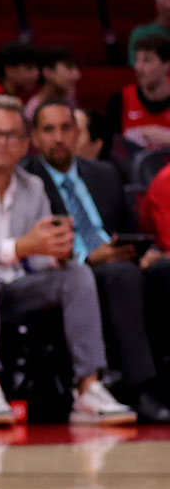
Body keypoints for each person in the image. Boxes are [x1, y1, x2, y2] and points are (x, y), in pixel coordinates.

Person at [0, 95, 136, 426]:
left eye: (13, 136)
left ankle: (89, 388)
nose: (4, 143)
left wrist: (55, 254)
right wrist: (21, 246)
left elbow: (37, 254)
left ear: (25, 145)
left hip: (15, 285)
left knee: (76, 275)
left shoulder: (33, 187)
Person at [25, 100, 170, 422]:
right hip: (71, 272)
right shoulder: (28, 181)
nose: (59, 138)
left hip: (120, 263)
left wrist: (146, 253)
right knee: (122, 276)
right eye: (49, 130)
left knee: (162, 271)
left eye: (66, 128)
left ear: (78, 133)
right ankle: (141, 386)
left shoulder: (104, 173)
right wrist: (87, 258)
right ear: (35, 137)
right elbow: (33, 248)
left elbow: (129, 230)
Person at [104, 33, 170, 152]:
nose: (139, 67)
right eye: (137, 60)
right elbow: (109, 150)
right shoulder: (120, 100)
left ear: (166, 64)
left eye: (147, 60)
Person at [25, 45, 81, 120]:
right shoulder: (32, 111)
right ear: (48, 72)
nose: (77, 75)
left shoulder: (69, 99)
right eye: (69, 68)